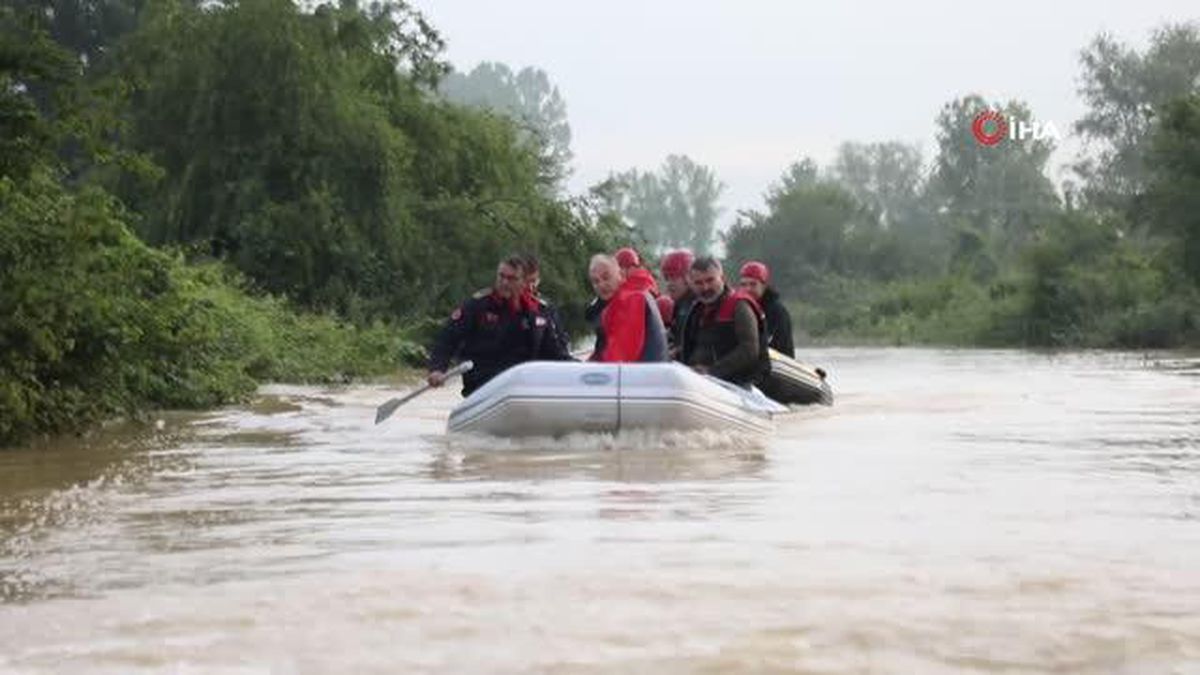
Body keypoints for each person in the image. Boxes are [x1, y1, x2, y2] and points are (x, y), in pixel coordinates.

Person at [427, 254, 572, 396]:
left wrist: (579, 368)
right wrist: (437, 368)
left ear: (524, 282)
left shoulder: (538, 311)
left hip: (521, 386)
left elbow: (554, 352)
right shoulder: (479, 305)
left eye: (511, 279)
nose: (504, 283)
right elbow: (448, 338)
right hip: (483, 383)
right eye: (501, 276)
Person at [680, 255, 770, 386]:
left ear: (722, 278)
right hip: (702, 383)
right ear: (691, 284)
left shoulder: (739, 305)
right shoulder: (696, 309)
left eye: (710, 280)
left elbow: (749, 349)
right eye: (698, 283)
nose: (705, 287)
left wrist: (712, 371)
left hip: (741, 384)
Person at [587, 254, 668, 363]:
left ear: (620, 274)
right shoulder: (633, 294)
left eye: (606, 277)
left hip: (643, 377)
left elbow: (620, 357)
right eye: (595, 281)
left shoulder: (631, 299)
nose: (601, 285)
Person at [737, 261, 795, 358]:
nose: (747, 289)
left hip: (777, 363)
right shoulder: (739, 308)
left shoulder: (777, 311)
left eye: (753, 284)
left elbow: (778, 346)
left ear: (764, 285)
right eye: (743, 285)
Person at [520, 252, 572, 357]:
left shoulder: (545, 307)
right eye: (527, 282)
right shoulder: (498, 307)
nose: (531, 287)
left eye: (534, 281)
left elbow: (558, 344)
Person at [659, 249, 696, 353]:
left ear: (688, 278)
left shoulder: (699, 305)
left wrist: (676, 352)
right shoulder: (680, 304)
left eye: (674, 278)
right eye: (667, 278)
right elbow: (674, 335)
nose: (669, 284)